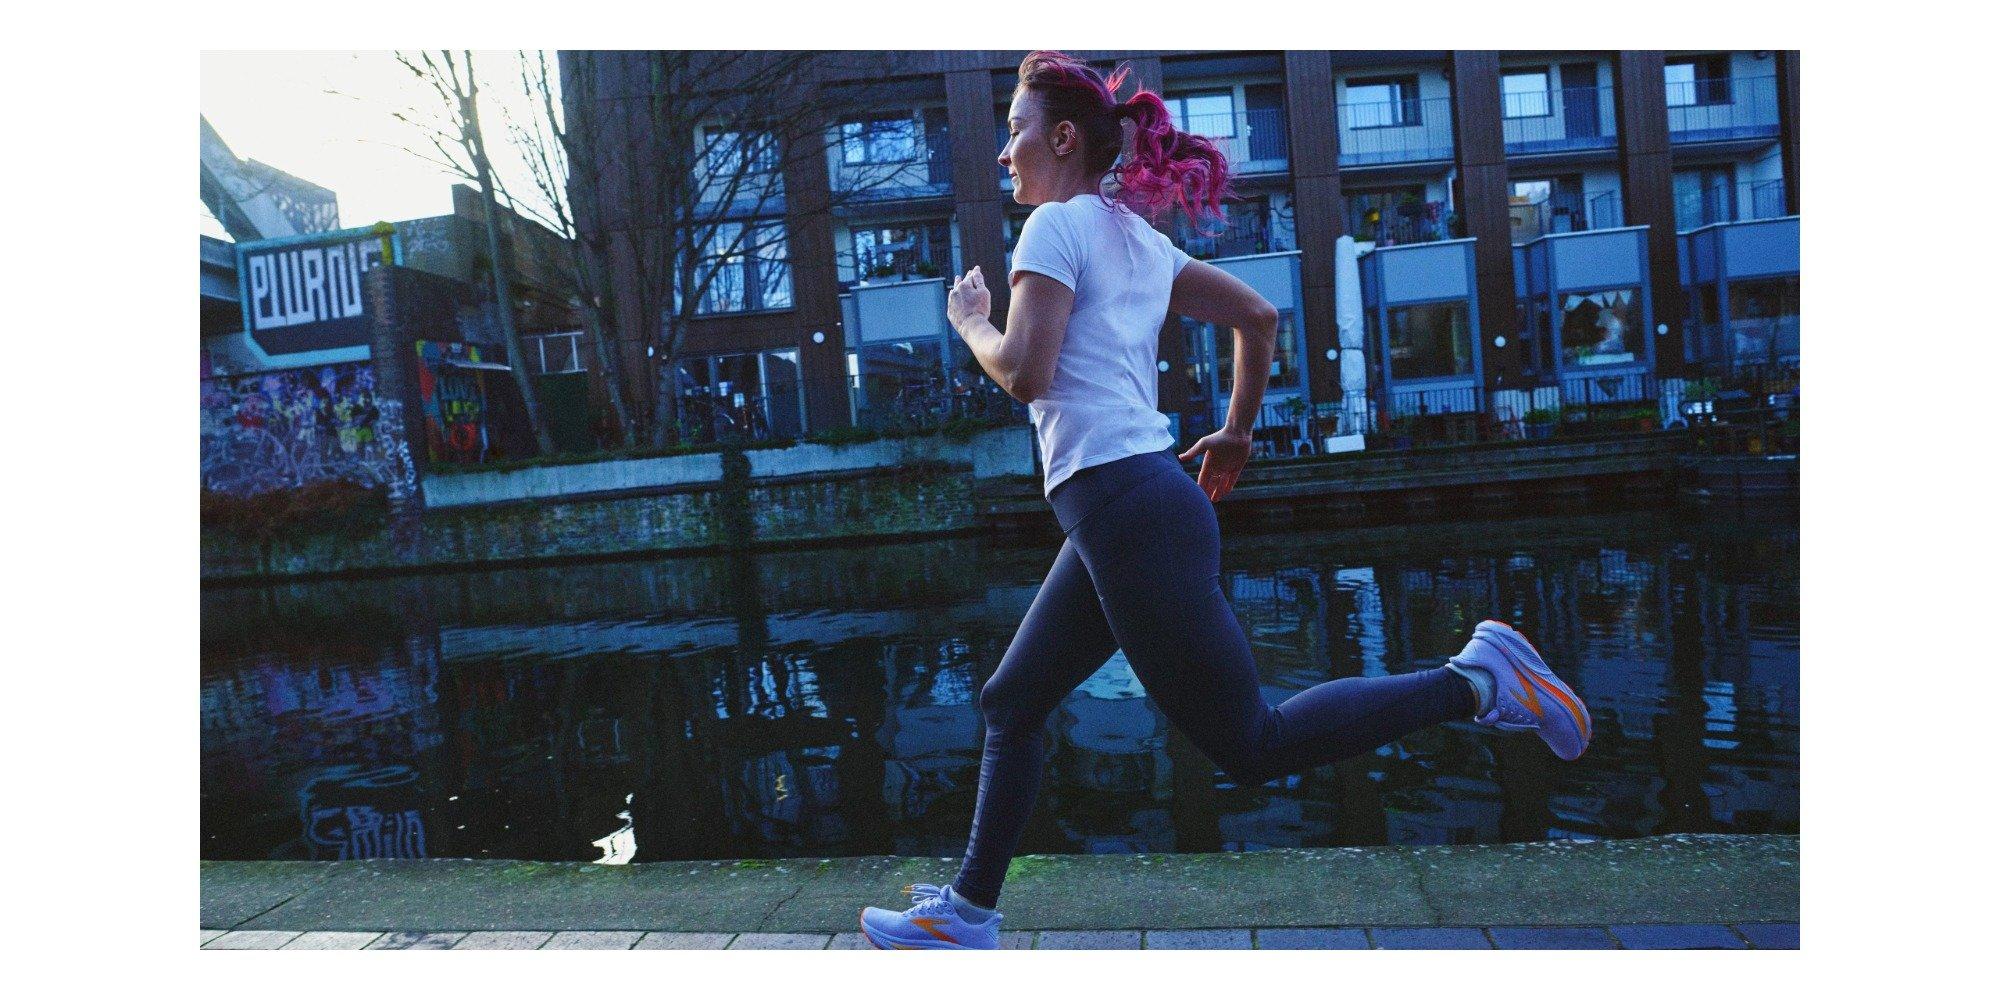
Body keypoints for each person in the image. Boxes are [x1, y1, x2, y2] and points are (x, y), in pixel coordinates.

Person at [856, 51, 1592, 951]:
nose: (1002, 155)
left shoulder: (1052, 230)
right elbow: (1260, 319)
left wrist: (970, 318)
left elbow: (1025, 372)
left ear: (1060, 137)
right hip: (1131, 509)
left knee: (1254, 745)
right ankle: (966, 915)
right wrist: (1237, 432)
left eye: (1012, 133)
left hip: (1126, 509)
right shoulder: (1132, 236)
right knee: (1013, 701)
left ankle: (1476, 680)